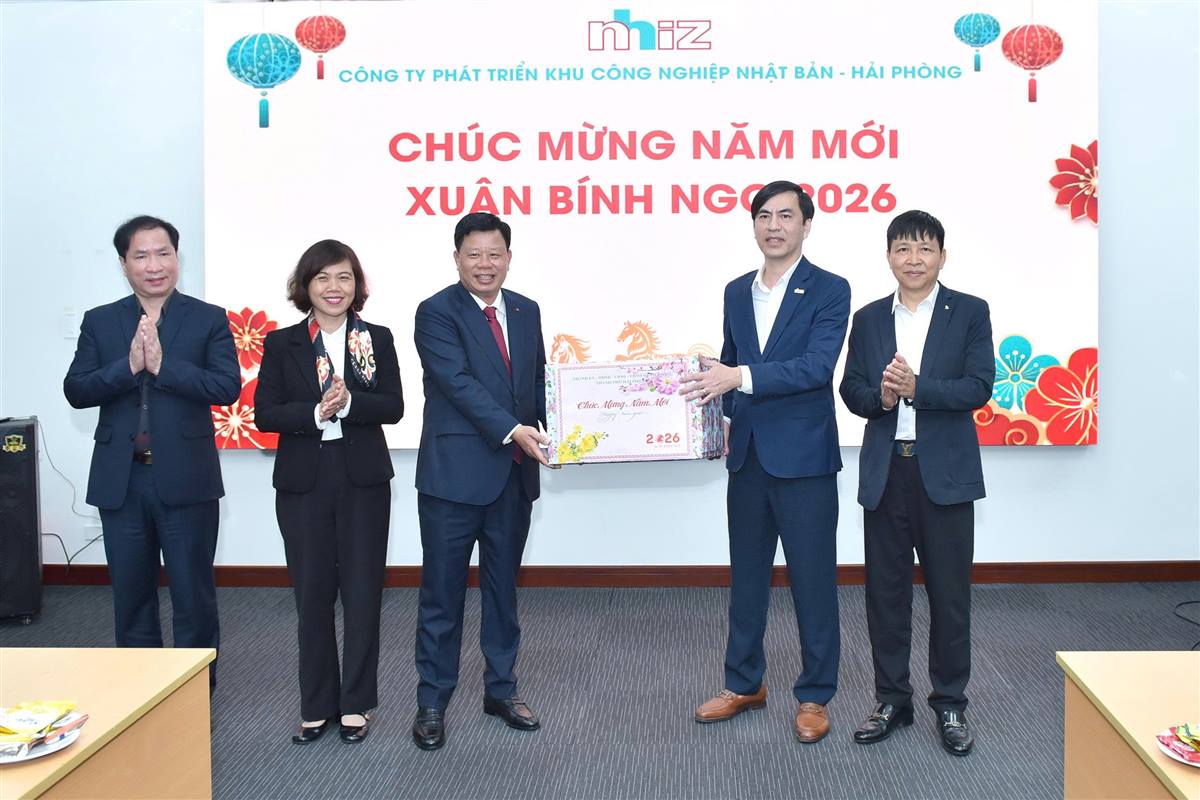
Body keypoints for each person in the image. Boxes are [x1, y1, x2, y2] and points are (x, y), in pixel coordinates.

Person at [681, 181, 850, 743]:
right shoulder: (736, 291)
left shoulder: (830, 289)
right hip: (749, 457)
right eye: (763, 216)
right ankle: (743, 683)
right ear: (753, 225)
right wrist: (704, 396)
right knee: (747, 579)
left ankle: (814, 695)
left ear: (807, 224)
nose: (773, 226)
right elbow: (730, 368)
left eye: (785, 215)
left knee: (813, 581)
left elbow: (816, 367)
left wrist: (738, 377)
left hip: (805, 461)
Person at [838, 210, 993, 756]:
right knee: (885, 596)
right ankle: (891, 700)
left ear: (942, 257)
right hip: (887, 473)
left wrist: (917, 388)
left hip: (944, 475)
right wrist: (881, 398)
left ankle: (950, 703)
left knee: (949, 596)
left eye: (925, 248)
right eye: (903, 248)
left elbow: (979, 386)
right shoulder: (868, 318)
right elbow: (851, 388)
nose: (914, 259)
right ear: (888, 257)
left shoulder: (970, 311)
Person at [63, 215, 240, 684]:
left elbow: (226, 387)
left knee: (193, 595)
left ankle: (193, 691)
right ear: (123, 263)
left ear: (177, 258)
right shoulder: (101, 321)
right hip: (122, 482)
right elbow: (76, 390)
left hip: (187, 479)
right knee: (131, 596)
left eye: (164, 253)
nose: (154, 265)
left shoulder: (208, 318)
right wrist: (127, 367)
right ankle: (140, 691)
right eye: (141, 256)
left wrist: (164, 367)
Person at [410, 212, 550, 751]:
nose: (485, 264)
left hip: (513, 477)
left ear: (509, 258)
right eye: (474, 254)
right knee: (442, 596)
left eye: (495, 254)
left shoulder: (526, 309)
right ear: (457, 258)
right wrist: (515, 430)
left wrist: (566, 434)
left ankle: (502, 690)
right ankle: (432, 701)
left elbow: (535, 383)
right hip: (453, 479)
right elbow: (458, 383)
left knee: (503, 592)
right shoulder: (435, 312)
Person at [254, 240, 404, 745]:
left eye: (344, 277)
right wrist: (317, 412)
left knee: (362, 593)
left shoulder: (376, 338)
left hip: (363, 479)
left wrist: (350, 402)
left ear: (357, 285)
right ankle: (316, 705)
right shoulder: (282, 343)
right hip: (304, 481)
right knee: (312, 595)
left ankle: (356, 703)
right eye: (322, 277)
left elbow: (394, 407)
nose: (334, 287)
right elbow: (265, 414)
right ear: (306, 286)